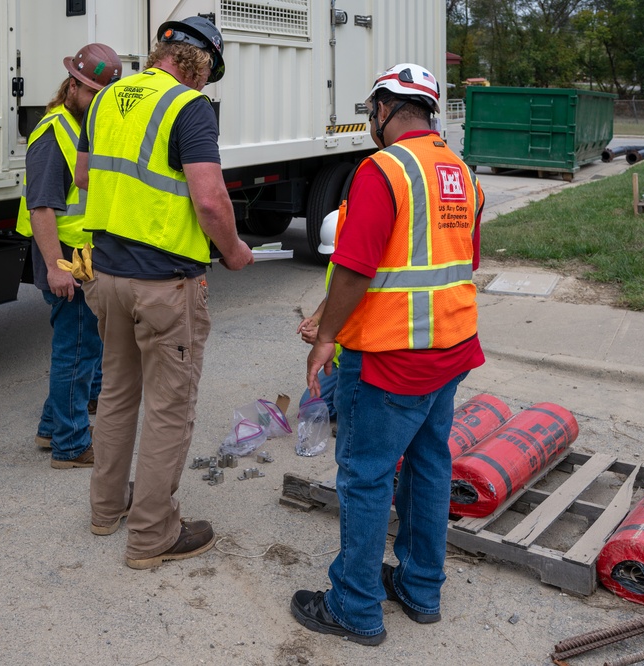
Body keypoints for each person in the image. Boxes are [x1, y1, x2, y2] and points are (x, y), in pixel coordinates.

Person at [290, 63, 486, 645]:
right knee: (428, 465)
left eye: (371, 111)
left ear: (384, 110)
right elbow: (462, 262)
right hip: (449, 351)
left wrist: (327, 335)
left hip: (389, 359)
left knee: (366, 478)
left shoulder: (385, 169)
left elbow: (355, 268)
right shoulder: (464, 173)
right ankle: (421, 589)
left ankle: (354, 607)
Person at [75, 16, 254, 568]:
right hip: (164, 286)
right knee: (168, 410)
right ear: (199, 63)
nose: (205, 87)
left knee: (118, 397)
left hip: (106, 278)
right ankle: (153, 534)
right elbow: (208, 199)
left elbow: (83, 176)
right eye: (208, 74)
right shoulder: (188, 107)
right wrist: (234, 250)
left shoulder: (105, 100)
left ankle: (107, 508)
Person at [15, 44, 122, 469]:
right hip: (65, 260)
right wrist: (59, 267)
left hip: (82, 256)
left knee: (81, 348)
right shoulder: (52, 131)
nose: (98, 101)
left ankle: (50, 429)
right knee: (75, 353)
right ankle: (71, 446)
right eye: (93, 91)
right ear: (73, 85)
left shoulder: (81, 126)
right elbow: (41, 207)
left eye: (104, 94)